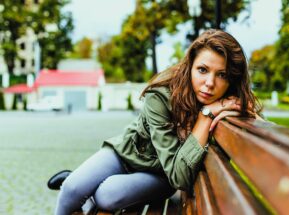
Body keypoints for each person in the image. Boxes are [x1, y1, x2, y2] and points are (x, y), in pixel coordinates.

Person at [54, 29, 261, 215]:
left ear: (231, 79)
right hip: (128, 153)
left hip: (162, 175)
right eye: (202, 70)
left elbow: (179, 177)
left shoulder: (227, 104)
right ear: (190, 66)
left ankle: (87, 186)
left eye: (222, 75)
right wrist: (208, 113)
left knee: (107, 195)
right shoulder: (162, 95)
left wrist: (206, 115)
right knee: (72, 187)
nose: (209, 83)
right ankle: (79, 181)